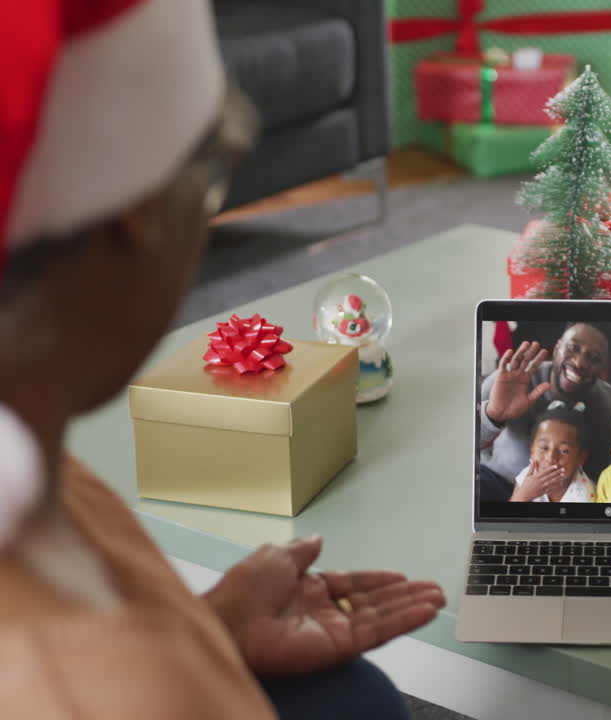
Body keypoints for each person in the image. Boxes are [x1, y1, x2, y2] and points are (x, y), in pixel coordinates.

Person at [0, 2, 444, 718]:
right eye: (212, 179)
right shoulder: (102, 686)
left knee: (353, 695)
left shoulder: (46, 465)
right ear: (136, 214)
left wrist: (214, 628)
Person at [477, 322, 611, 502]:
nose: (579, 362)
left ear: (603, 370)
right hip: (499, 484)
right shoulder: (512, 380)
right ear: (557, 348)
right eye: (573, 348)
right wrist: (493, 415)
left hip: (569, 499)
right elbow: (462, 444)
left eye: (594, 358)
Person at [509, 401, 597, 503]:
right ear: (532, 450)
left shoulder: (584, 496)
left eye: (564, 451)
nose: (551, 458)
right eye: (544, 448)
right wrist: (522, 496)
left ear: (581, 458)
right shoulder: (527, 478)